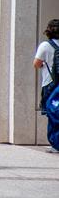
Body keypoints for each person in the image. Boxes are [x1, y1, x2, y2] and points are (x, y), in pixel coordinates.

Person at [33, 18, 59, 153]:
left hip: (50, 84)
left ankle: (55, 144)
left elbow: (36, 64)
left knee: (52, 113)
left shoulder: (45, 45)